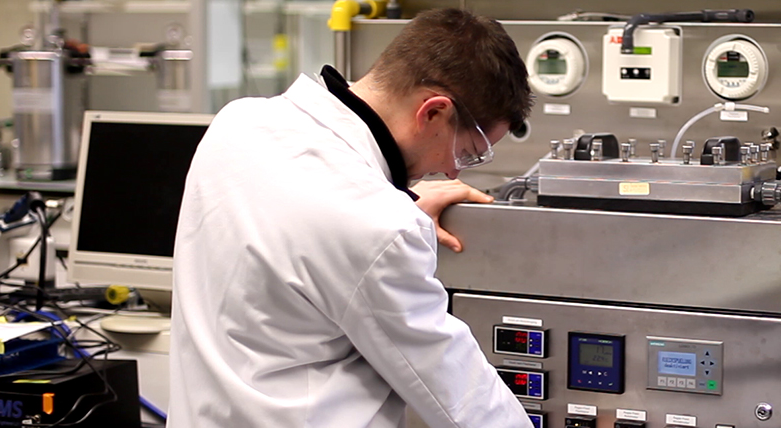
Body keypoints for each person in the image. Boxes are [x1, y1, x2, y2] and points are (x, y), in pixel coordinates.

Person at [168, 8, 534, 427]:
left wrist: (400, 199)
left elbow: (305, 215)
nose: (453, 172)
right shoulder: (379, 226)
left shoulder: (238, 122)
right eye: (467, 152)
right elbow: (461, 399)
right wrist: (396, 217)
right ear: (433, 112)